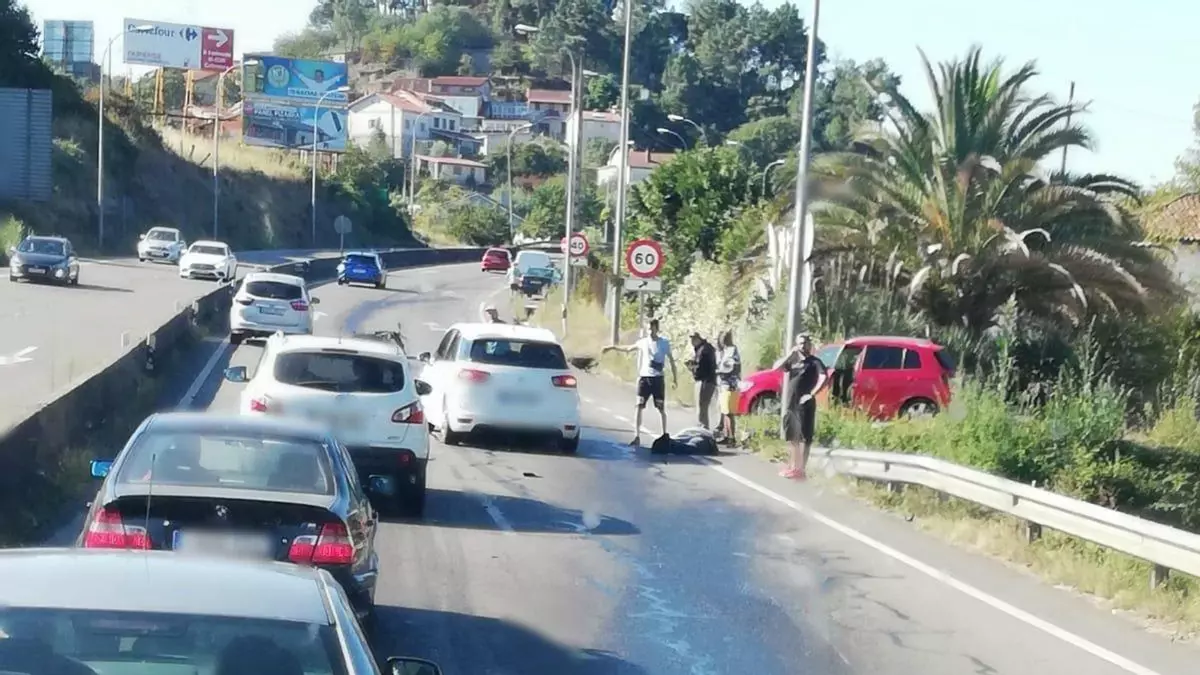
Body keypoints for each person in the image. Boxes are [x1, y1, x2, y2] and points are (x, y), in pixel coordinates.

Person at [602, 318, 677, 446]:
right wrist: (612, 347)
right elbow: (628, 349)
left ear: (656, 329)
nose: (650, 331)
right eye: (648, 328)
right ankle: (636, 436)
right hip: (644, 379)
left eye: (652, 328)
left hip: (658, 379)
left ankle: (665, 434)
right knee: (639, 406)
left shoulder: (664, 343)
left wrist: (675, 379)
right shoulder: (643, 342)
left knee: (661, 408)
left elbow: (671, 360)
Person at [774, 333, 827, 480]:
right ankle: (793, 466)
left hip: (805, 404)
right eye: (800, 343)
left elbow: (824, 377)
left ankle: (801, 469)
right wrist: (789, 355)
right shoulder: (793, 362)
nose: (802, 346)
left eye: (805, 343)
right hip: (791, 403)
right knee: (792, 436)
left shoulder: (814, 362)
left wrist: (812, 393)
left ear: (809, 344)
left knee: (804, 437)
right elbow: (776, 368)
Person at [686, 332, 718, 430]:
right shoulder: (702, 349)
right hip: (706, 380)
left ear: (699, 339)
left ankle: (703, 428)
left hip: (706, 381)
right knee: (702, 406)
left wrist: (693, 367)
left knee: (702, 406)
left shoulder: (704, 350)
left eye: (694, 339)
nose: (692, 341)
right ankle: (702, 426)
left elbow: (703, 367)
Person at [715, 330, 741, 445]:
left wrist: (720, 371)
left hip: (729, 384)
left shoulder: (731, 350)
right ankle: (727, 435)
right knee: (725, 411)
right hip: (723, 383)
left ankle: (731, 437)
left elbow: (732, 367)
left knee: (729, 412)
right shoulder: (725, 350)